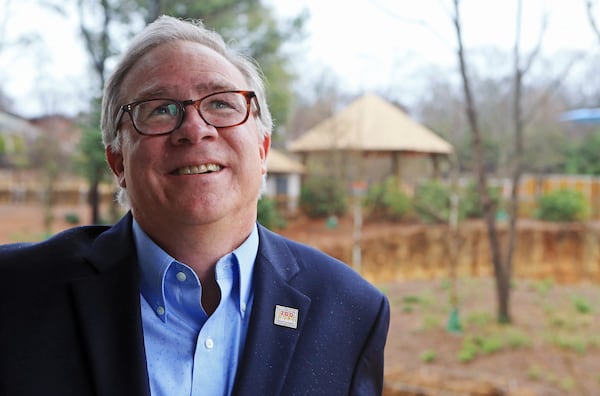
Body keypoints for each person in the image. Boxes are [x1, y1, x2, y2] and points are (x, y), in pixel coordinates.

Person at [0, 15, 389, 396]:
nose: (195, 129)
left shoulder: (351, 311)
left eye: (221, 104)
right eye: (160, 109)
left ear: (262, 148)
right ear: (117, 161)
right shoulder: (15, 292)